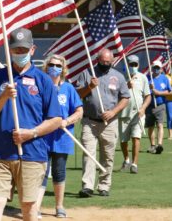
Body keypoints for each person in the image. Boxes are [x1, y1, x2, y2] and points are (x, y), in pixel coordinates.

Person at [0, 27, 62, 221]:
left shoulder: (43, 80)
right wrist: (4, 96)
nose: (20, 54)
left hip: (32, 153)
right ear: (9, 50)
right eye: (16, 50)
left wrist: (30, 133)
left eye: (24, 50)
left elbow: (56, 119)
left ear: (33, 50)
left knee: (29, 207)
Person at [76, 49, 130, 198]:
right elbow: (77, 95)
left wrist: (113, 112)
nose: (105, 64)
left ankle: (104, 185)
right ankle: (87, 186)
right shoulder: (87, 74)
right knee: (88, 153)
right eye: (103, 62)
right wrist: (90, 87)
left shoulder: (118, 77)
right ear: (97, 59)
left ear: (112, 61)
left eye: (108, 62)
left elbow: (125, 97)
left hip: (110, 123)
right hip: (90, 121)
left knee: (108, 155)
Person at [37, 54, 83, 218]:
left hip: (62, 139)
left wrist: (67, 121)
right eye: (51, 64)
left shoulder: (68, 88)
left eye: (58, 65)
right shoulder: (40, 85)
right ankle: (36, 207)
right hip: (42, 137)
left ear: (63, 69)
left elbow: (79, 110)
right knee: (40, 172)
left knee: (59, 172)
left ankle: (59, 206)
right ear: (46, 65)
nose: (54, 67)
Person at [119, 55, 151, 174]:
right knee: (123, 140)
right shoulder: (121, 78)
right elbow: (116, 96)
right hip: (123, 113)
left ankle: (134, 164)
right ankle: (126, 160)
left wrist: (143, 108)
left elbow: (148, 96)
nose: (133, 67)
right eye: (130, 65)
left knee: (136, 137)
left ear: (138, 65)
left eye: (135, 64)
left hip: (138, 114)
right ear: (126, 65)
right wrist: (125, 87)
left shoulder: (143, 78)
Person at [146, 60, 172, 154]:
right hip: (149, 105)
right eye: (155, 67)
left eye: (158, 68)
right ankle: (152, 145)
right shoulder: (147, 77)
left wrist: (158, 93)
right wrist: (149, 88)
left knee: (160, 125)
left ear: (161, 69)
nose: (156, 69)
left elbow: (169, 91)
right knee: (150, 126)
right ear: (152, 68)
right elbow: (143, 90)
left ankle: (159, 145)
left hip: (161, 105)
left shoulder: (164, 78)